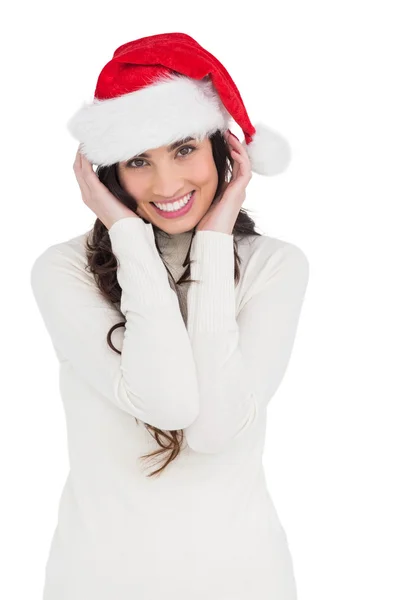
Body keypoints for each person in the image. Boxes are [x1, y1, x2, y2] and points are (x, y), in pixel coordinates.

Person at [30, 32, 310, 600]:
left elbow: (211, 430)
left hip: (245, 581)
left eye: (184, 149)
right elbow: (168, 400)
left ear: (221, 149)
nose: (167, 184)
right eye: (139, 160)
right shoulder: (64, 270)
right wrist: (128, 237)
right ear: (107, 174)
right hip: (95, 583)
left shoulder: (275, 266)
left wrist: (214, 240)